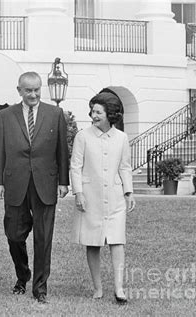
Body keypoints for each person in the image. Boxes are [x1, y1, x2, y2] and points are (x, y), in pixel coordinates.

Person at [0, 71, 69, 304]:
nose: (33, 94)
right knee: (14, 235)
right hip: (15, 182)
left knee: (44, 238)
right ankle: (23, 274)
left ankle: (40, 287)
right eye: (28, 90)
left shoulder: (55, 114)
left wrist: (64, 181)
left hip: (45, 182)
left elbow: (62, 150)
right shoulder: (5, 116)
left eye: (37, 89)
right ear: (19, 91)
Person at [70, 91, 136, 304]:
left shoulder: (122, 138)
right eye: (92, 111)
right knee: (93, 242)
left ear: (110, 114)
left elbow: (125, 167)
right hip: (90, 197)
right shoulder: (83, 136)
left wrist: (128, 192)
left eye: (98, 112)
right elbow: (75, 167)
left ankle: (119, 288)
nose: (93, 115)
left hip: (115, 198)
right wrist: (78, 192)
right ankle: (97, 287)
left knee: (117, 241)